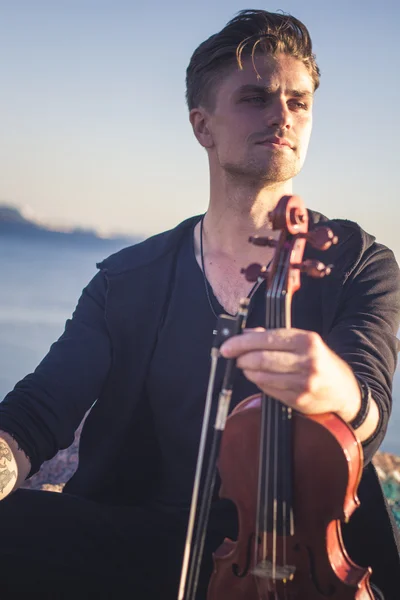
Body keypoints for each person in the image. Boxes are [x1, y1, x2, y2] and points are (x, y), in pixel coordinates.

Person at [0, 8, 399, 600]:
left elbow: (370, 414)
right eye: (256, 96)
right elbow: (38, 413)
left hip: (306, 555)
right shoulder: (127, 280)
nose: (282, 116)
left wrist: (336, 389)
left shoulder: (359, 263)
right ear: (202, 126)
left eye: (299, 101)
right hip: (147, 538)